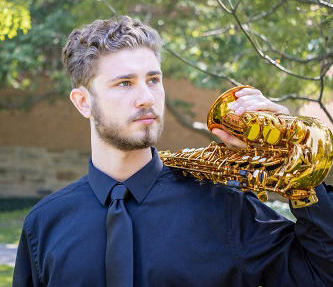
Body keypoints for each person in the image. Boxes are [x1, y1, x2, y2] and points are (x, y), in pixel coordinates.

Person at [13, 16, 333, 287]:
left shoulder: (224, 205)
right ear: (83, 102)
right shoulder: (43, 224)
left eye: (153, 80)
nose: (147, 98)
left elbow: (322, 274)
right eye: (125, 83)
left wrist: (300, 170)